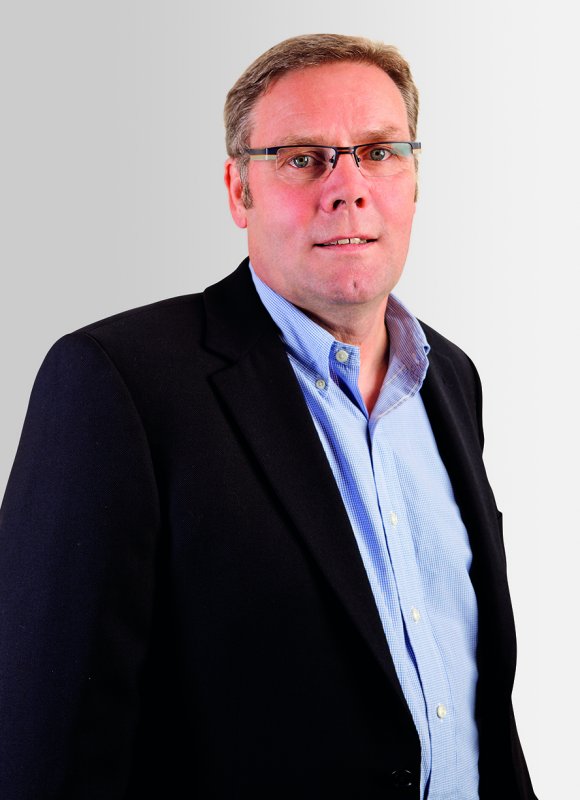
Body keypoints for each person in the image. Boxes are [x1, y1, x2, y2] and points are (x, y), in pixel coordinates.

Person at [0, 33, 537, 800]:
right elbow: (48, 748)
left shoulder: (449, 378)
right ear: (238, 190)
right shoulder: (119, 383)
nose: (348, 188)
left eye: (379, 152)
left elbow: (482, 704)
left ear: (414, 178)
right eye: (302, 158)